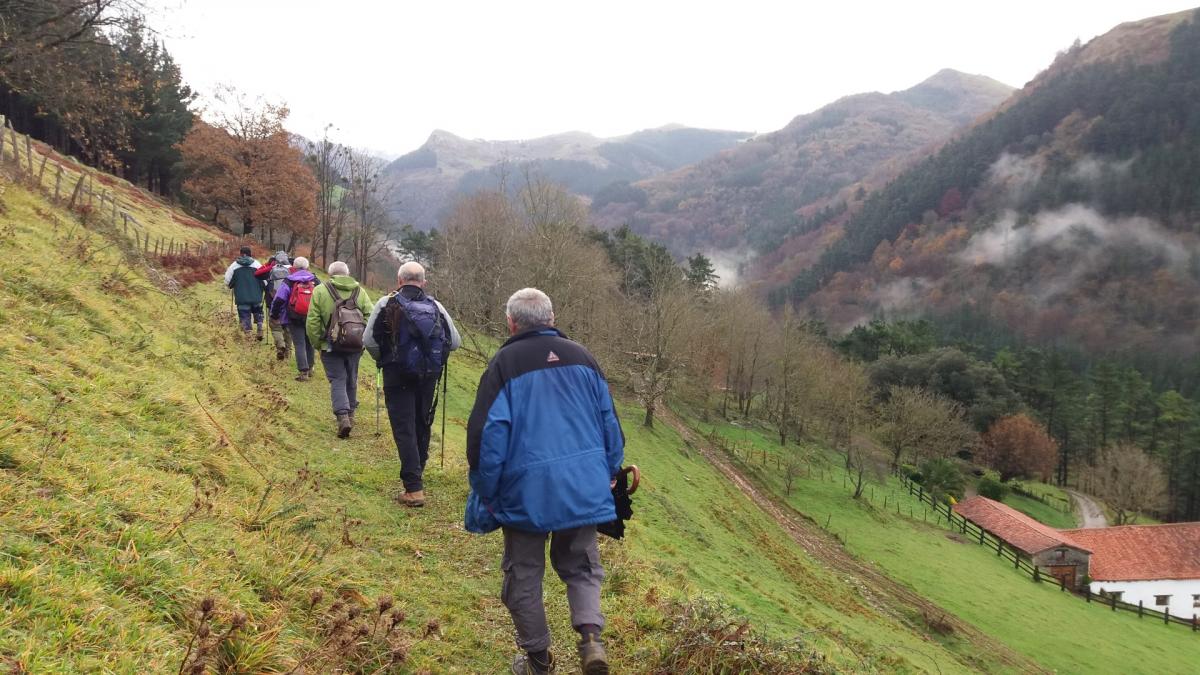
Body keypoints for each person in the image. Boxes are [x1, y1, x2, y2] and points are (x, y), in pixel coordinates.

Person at [465, 288, 623, 675]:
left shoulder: (504, 363)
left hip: (525, 492)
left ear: (511, 322)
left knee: (524, 574)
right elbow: (610, 427)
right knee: (582, 566)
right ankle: (590, 641)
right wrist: (609, 473)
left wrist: (487, 491)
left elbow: (487, 436)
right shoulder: (584, 357)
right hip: (583, 486)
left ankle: (537, 661)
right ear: (552, 318)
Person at [364, 262, 461, 507]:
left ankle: (413, 488)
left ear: (399, 280)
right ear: (423, 282)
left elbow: (369, 340)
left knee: (404, 427)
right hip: (428, 375)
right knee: (422, 422)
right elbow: (455, 341)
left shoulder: (387, 303)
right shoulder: (435, 306)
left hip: (397, 375)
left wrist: (385, 360)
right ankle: (418, 471)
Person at [306, 261, 373, 438]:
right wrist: (359, 336)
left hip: (330, 345)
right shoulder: (360, 291)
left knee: (337, 379)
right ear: (348, 273)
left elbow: (312, 321)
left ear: (330, 274)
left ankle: (343, 417)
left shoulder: (320, 291)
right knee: (351, 378)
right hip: (355, 346)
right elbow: (371, 316)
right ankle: (350, 414)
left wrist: (318, 343)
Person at [271, 256, 320, 381]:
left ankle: (303, 373)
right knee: (310, 343)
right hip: (312, 317)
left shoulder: (289, 280)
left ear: (294, 268)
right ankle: (310, 368)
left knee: (299, 344)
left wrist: (274, 315)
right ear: (308, 267)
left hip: (294, 317)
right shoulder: (315, 280)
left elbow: (279, 299)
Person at [256, 251, 295, 360]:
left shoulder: (271, 270)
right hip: (288, 304)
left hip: (273, 303)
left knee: (276, 327)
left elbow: (257, 274)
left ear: (275, 259)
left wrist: (269, 265)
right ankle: (287, 353)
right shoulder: (292, 270)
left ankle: (280, 346)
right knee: (287, 328)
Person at [224, 246, 265, 339]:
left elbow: (227, 280)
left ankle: (248, 336)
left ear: (240, 253)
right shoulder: (257, 264)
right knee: (258, 312)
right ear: (250, 254)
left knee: (244, 315)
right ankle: (259, 328)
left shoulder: (234, 265)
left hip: (241, 297)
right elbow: (265, 280)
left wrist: (232, 285)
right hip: (256, 296)